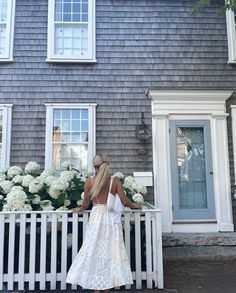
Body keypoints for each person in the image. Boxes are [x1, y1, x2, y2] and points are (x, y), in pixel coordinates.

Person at [66, 155, 142, 293]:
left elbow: (86, 203)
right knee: (110, 251)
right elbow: (125, 201)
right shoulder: (115, 181)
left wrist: (80, 209)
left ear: (94, 167)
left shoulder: (89, 182)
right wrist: (135, 205)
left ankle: (96, 288)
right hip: (111, 217)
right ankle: (106, 287)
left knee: (93, 250)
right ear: (107, 165)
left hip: (96, 216)